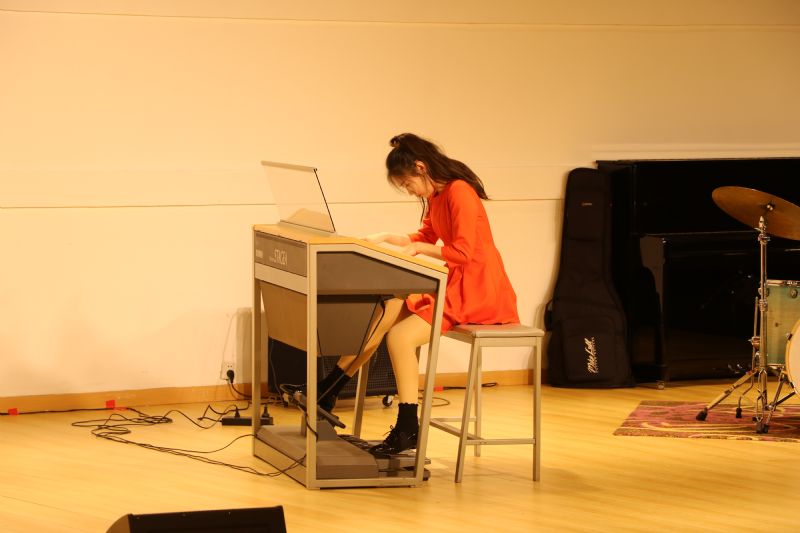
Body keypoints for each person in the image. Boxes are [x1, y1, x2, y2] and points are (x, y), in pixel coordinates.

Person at [311, 133, 520, 456]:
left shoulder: (459, 192)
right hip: (456, 282)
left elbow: (463, 252)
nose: (409, 191)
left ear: (421, 168)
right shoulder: (437, 195)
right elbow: (426, 234)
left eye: (407, 184)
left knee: (400, 338)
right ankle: (329, 390)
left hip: (478, 288)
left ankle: (408, 426)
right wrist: (385, 237)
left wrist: (419, 248)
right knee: (389, 307)